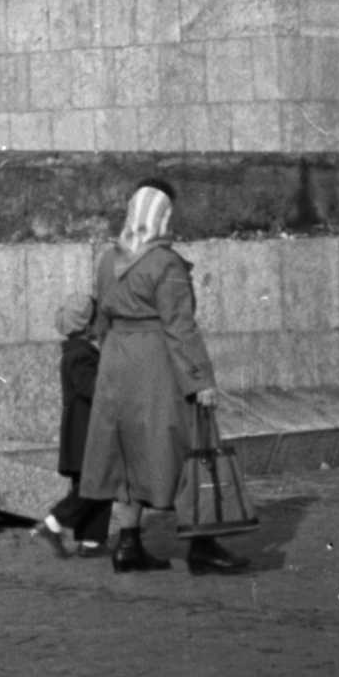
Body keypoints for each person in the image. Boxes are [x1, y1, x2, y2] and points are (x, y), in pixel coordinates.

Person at [78, 181, 248, 575]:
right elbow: (180, 326)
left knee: (126, 454)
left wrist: (113, 359)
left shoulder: (107, 260)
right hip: (157, 363)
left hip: (117, 364)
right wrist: (200, 379)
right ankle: (202, 544)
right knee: (188, 448)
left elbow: (101, 320)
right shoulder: (167, 263)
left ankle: (128, 543)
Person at [32, 293, 113, 558]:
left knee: (93, 482)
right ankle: (54, 522)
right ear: (88, 325)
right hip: (87, 428)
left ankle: (91, 541)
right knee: (97, 482)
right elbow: (92, 389)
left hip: (81, 429)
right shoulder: (81, 355)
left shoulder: (75, 351)